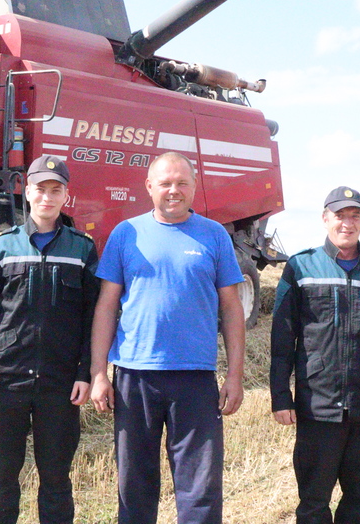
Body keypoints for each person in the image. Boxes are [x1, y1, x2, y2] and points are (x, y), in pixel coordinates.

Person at [89, 151, 246, 524]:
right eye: (165, 183)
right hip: (134, 376)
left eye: (182, 183)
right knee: (134, 484)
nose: (173, 190)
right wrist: (99, 372)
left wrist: (235, 376)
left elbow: (232, 309)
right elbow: (106, 306)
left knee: (200, 489)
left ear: (194, 186)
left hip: (195, 377)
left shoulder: (214, 235)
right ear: (149, 187)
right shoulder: (126, 233)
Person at [270, 186, 360, 524]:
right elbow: (282, 342)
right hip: (317, 408)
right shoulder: (301, 267)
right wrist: (281, 397)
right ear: (325, 219)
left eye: (354, 216)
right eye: (340, 215)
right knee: (312, 503)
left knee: (359, 501)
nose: (346, 224)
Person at [0, 154, 99, 524]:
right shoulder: (3, 246)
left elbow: (93, 318)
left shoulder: (82, 249)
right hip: (6, 380)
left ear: (65, 195)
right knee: (1, 478)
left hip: (60, 384)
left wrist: (85, 372)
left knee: (56, 480)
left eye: (56, 190)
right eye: (41, 189)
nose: (47, 197)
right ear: (27, 191)